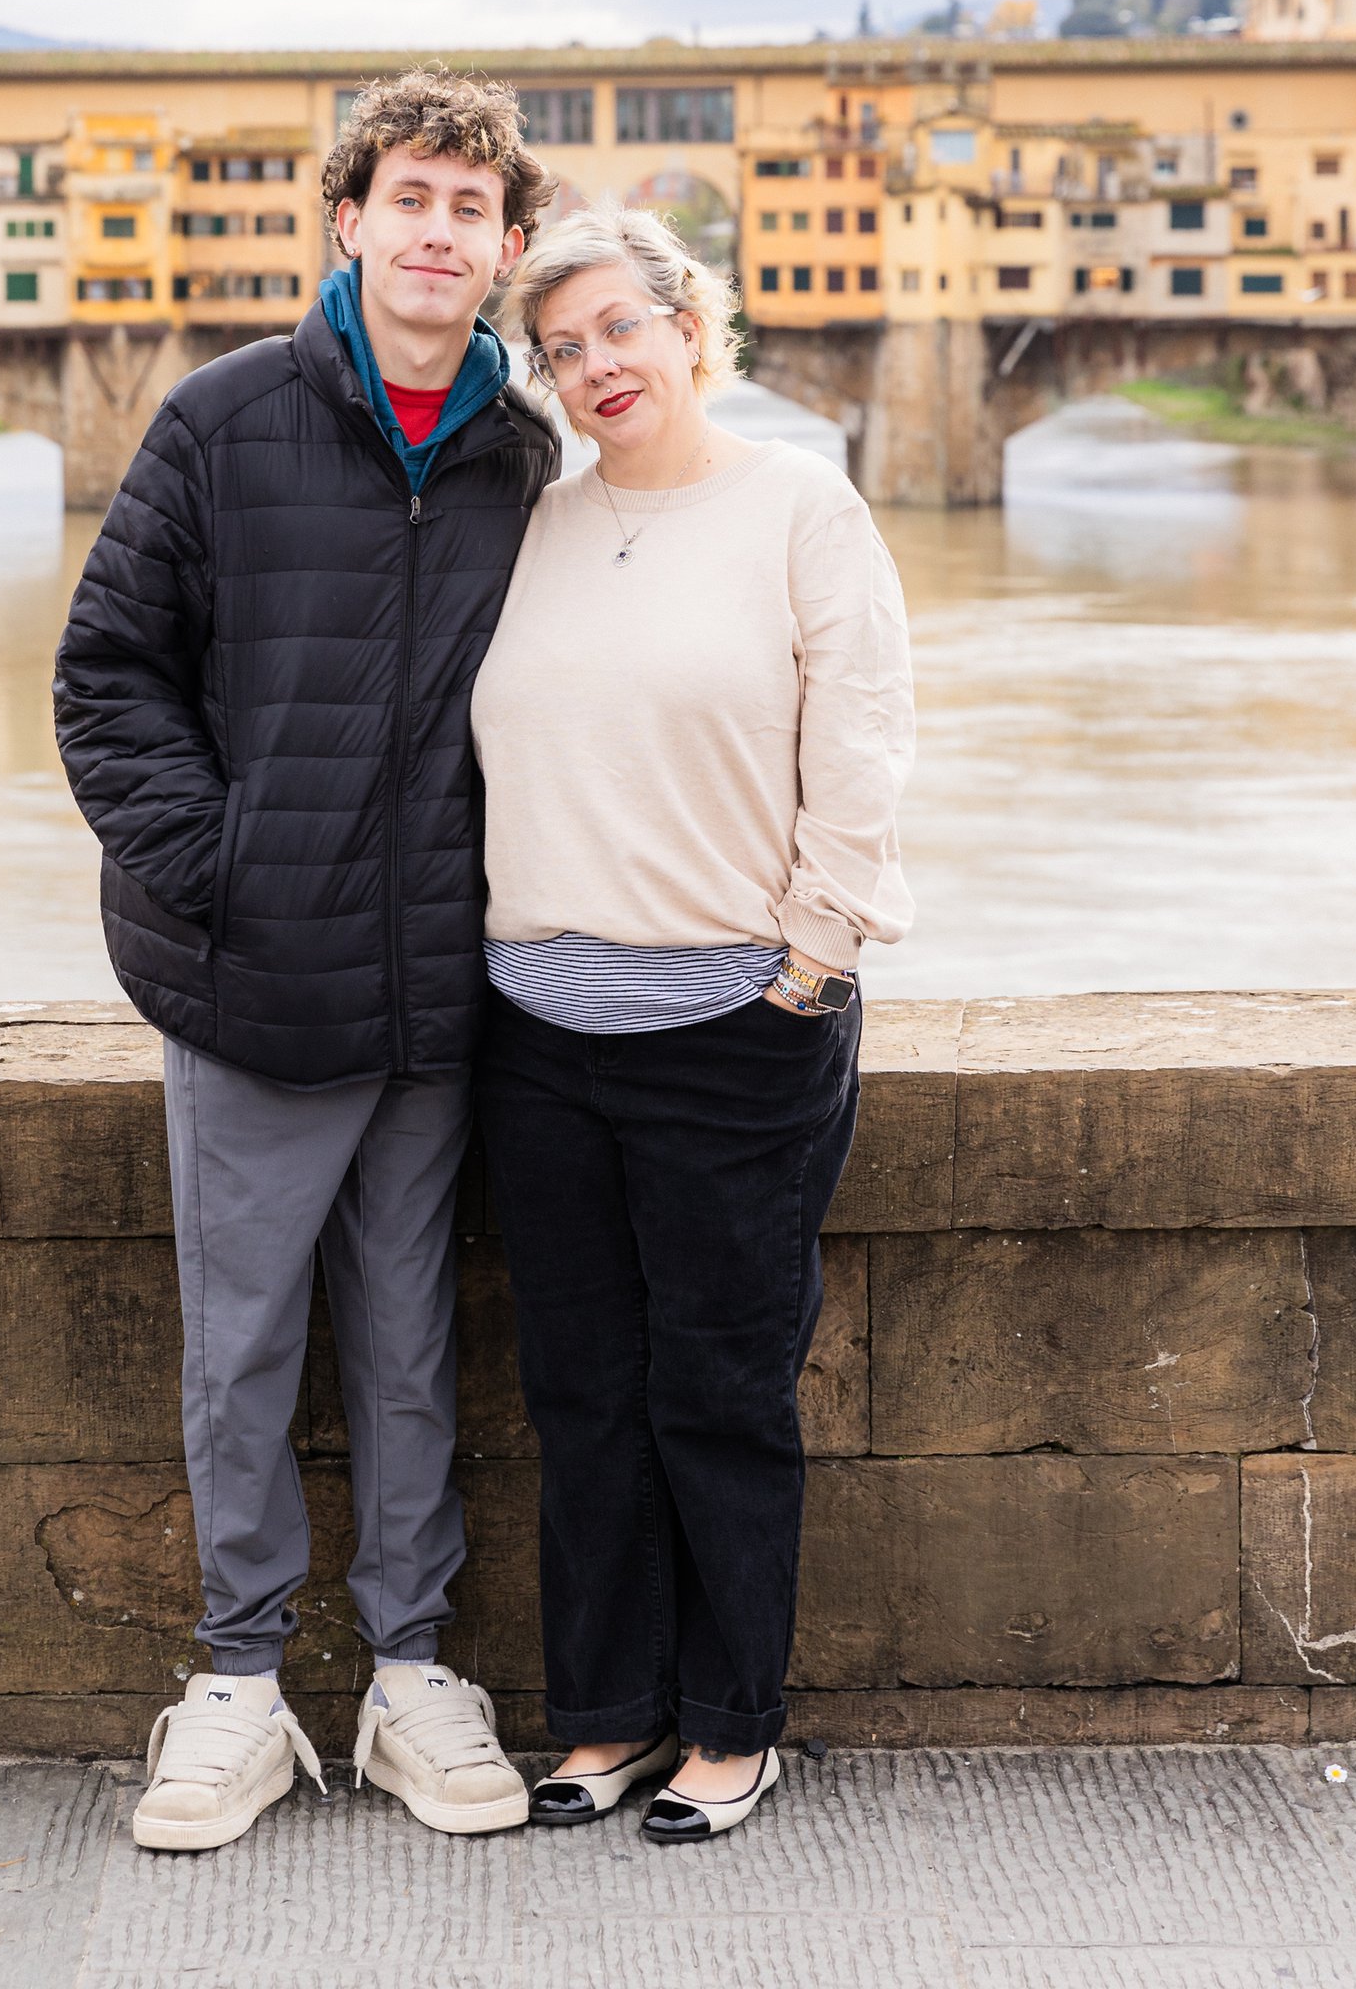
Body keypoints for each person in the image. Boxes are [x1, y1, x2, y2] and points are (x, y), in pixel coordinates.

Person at [54, 67, 557, 1852]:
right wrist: (229, 875)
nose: (439, 232)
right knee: (243, 1349)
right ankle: (239, 1687)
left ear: (505, 248)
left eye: (471, 209)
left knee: (413, 1349)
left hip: (441, 994)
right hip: (256, 982)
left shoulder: (527, 455)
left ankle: (414, 1677)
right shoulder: (223, 418)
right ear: (350, 222)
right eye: (409, 198)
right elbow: (106, 679)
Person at [470, 204, 914, 1844]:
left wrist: (810, 964)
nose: (594, 365)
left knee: (721, 1390)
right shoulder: (534, 525)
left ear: (688, 328)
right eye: (560, 347)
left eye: (618, 329)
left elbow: (863, 742)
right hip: (540, 1035)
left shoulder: (800, 507)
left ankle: (731, 1726)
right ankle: (604, 1716)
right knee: (581, 1391)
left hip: (737, 1026)